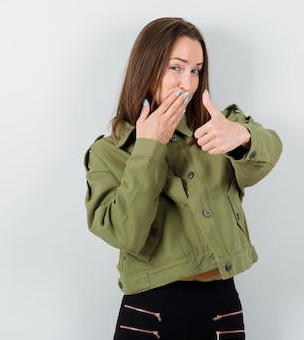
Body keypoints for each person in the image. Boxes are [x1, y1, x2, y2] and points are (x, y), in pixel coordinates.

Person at [83, 17, 282, 340]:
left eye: (196, 70)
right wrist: (149, 147)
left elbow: (269, 154)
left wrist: (244, 136)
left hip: (221, 302)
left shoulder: (217, 126)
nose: (187, 83)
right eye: (176, 67)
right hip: (150, 306)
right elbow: (124, 234)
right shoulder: (109, 152)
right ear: (147, 68)